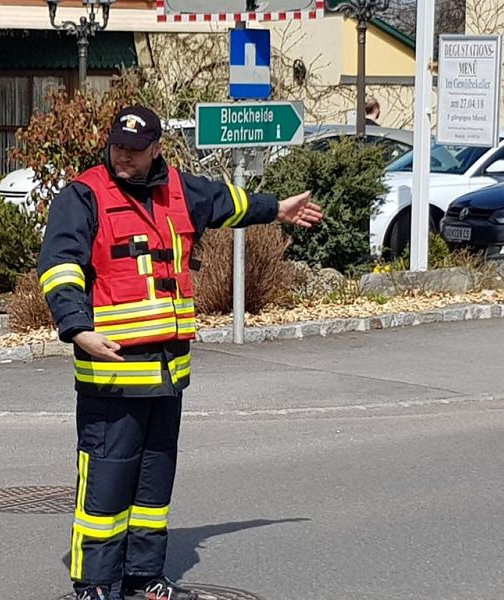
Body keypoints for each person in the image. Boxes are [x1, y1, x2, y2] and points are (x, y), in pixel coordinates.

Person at [37, 105, 322, 600]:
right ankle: (96, 584)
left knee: (153, 482)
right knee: (106, 479)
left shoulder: (179, 191)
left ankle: (145, 577)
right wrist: (77, 328)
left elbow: (227, 202)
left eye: (134, 150)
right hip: (115, 370)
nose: (123, 157)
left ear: (156, 149)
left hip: (168, 372)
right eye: (117, 148)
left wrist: (276, 208)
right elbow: (60, 267)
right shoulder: (82, 196)